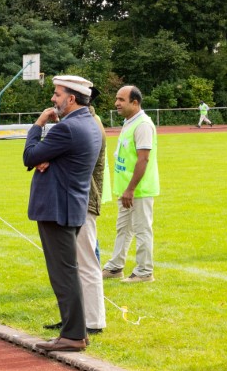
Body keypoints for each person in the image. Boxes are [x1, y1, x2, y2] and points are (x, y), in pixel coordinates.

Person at [22, 74, 103, 354]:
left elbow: (29, 156)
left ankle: (73, 335)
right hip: (70, 206)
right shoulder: (89, 123)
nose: (52, 99)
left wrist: (39, 124)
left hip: (57, 208)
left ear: (71, 98)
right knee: (69, 271)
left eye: (57, 94)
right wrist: (48, 158)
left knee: (63, 274)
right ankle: (77, 331)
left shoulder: (66, 128)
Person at [103, 85, 159, 283]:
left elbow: (143, 159)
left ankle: (144, 271)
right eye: (116, 99)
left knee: (142, 229)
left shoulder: (143, 125)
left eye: (121, 100)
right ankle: (115, 267)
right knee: (123, 229)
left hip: (138, 190)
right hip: (126, 190)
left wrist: (131, 188)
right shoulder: (129, 121)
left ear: (135, 103)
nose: (116, 103)